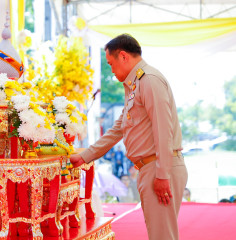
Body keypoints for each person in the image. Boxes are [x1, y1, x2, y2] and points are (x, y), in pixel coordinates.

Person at [70, 34, 188, 240]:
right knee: (159, 234)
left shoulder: (149, 80)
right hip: (149, 168)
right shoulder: (135, 85)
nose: (111, 70)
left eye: (111, 63)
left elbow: (163, 131)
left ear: (123, 56)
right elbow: (119, 128)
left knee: (162, 236)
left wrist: (162, 174)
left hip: (158, 168)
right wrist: (86, 155)